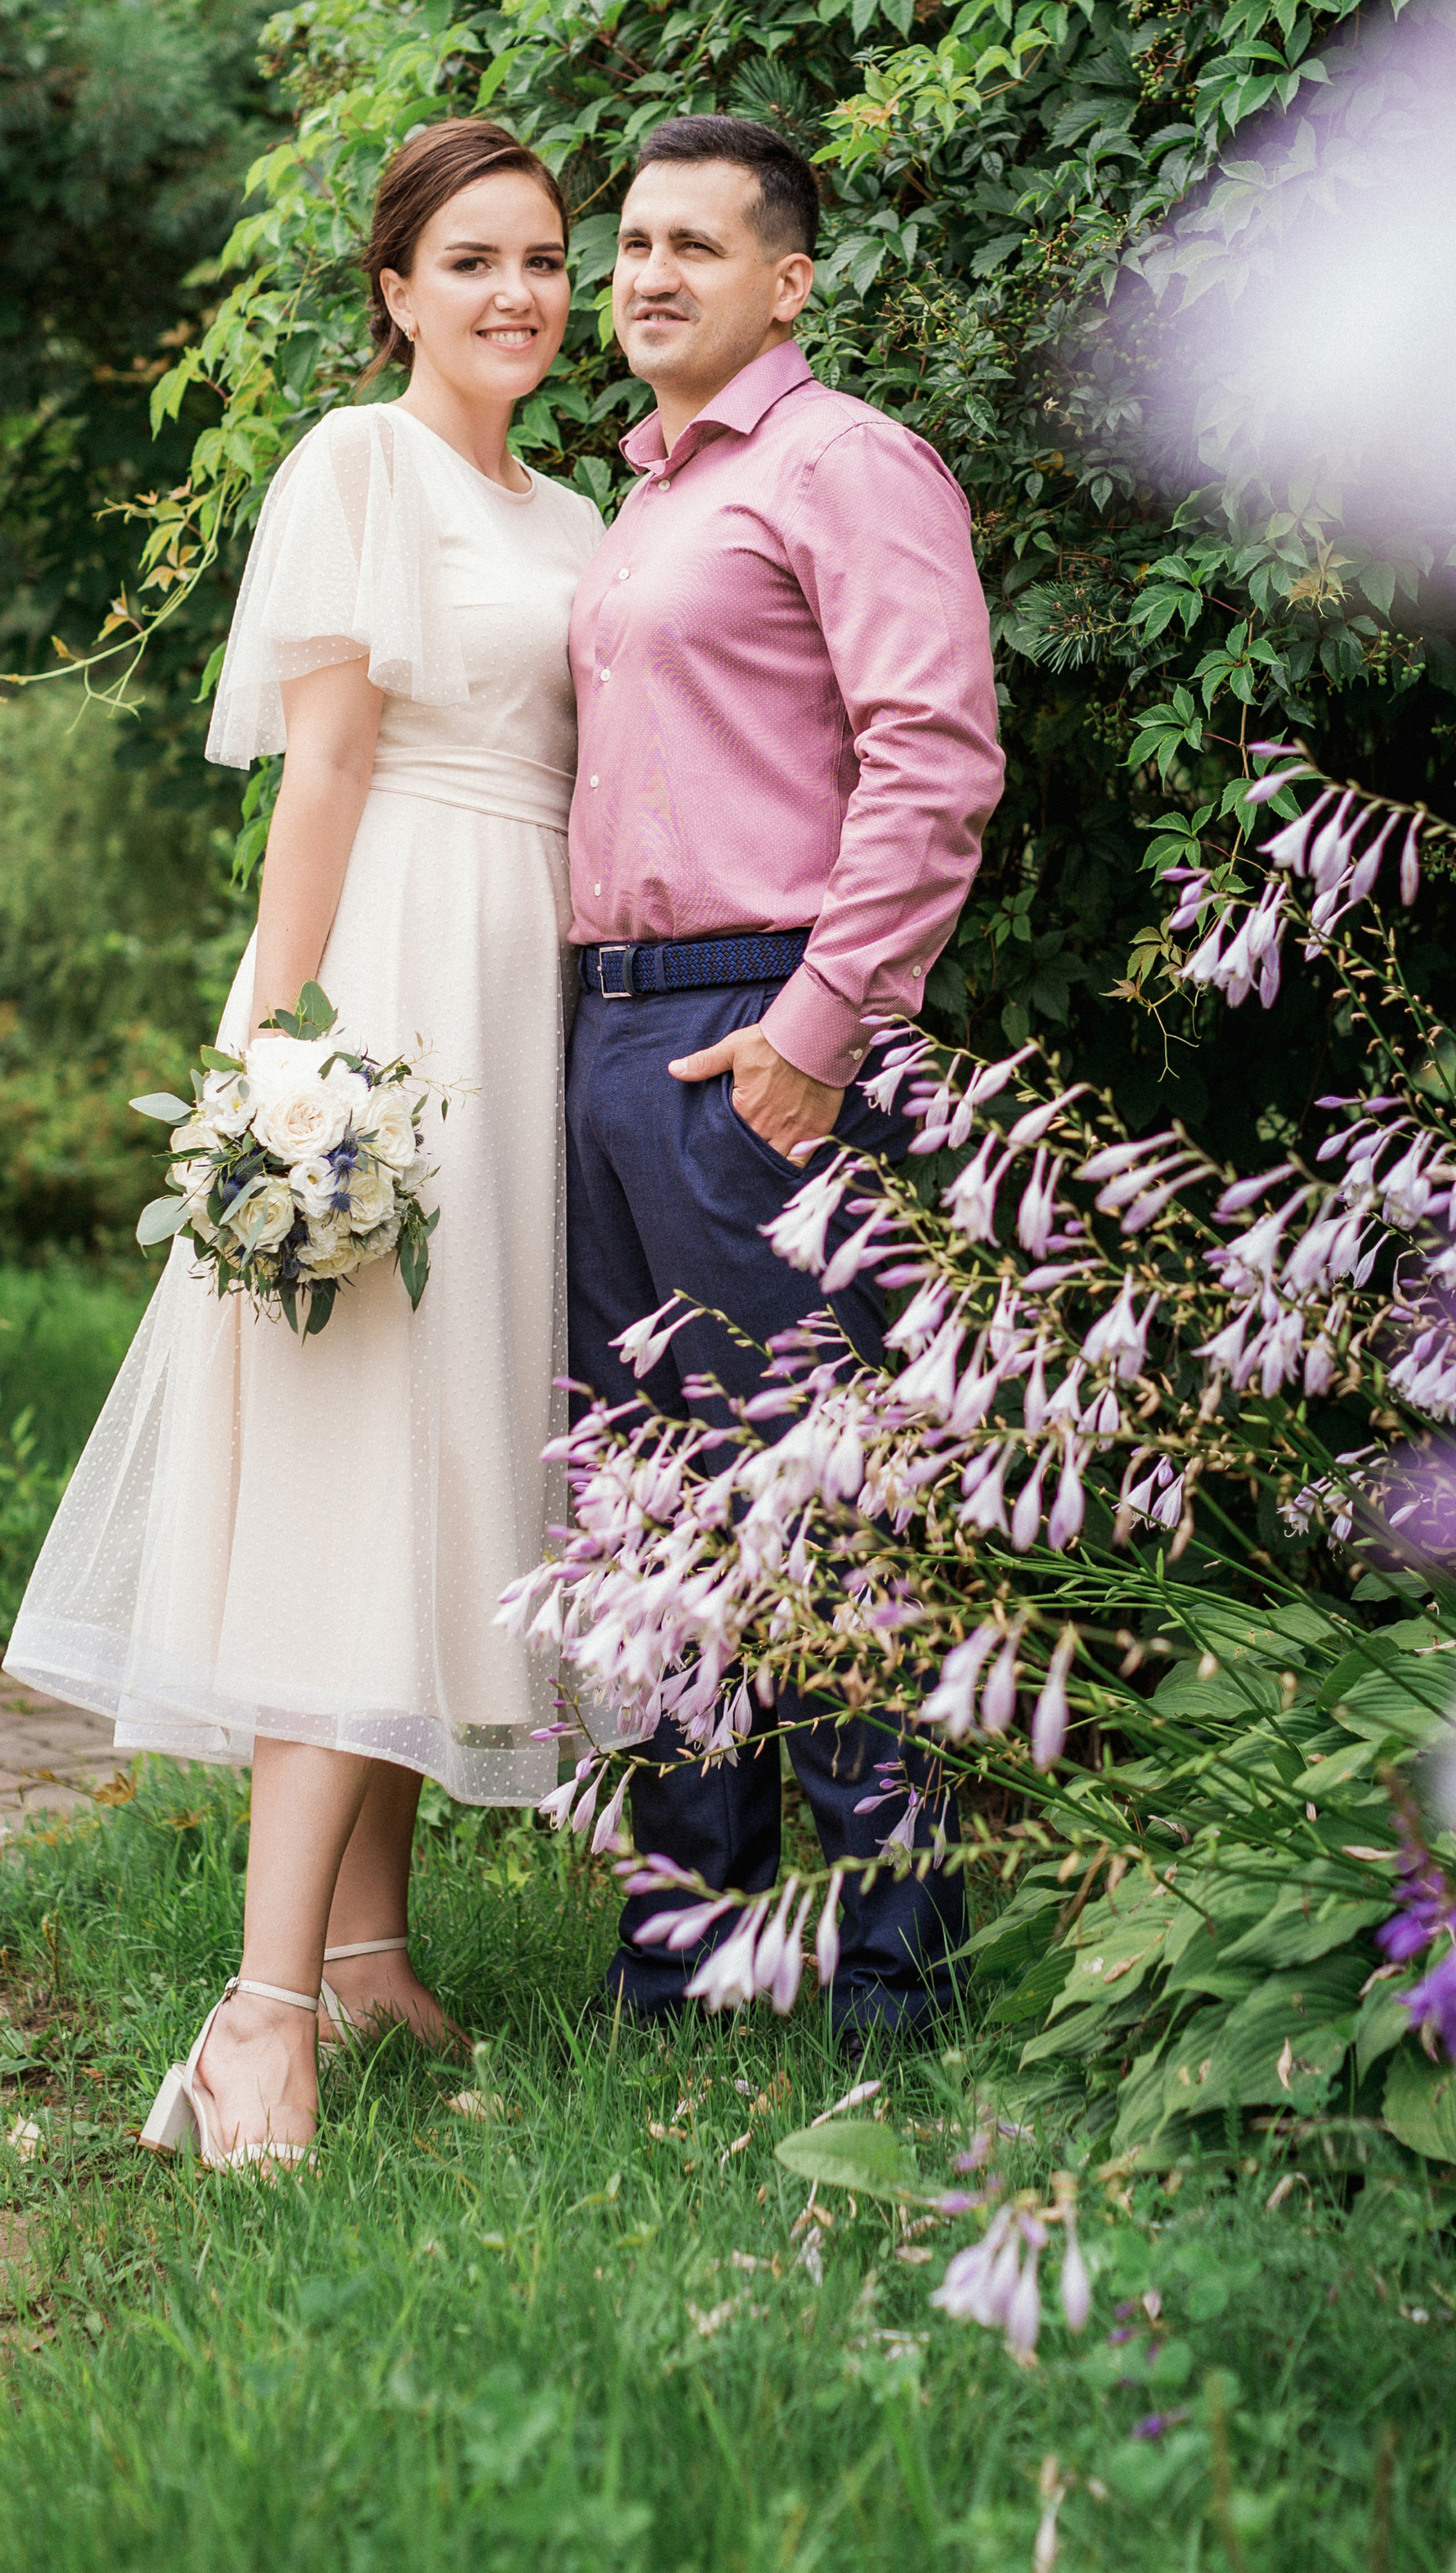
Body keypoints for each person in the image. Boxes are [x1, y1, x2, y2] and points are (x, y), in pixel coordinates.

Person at [5, 116, 602, 2166]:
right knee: (359, 1450)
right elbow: (329, 767)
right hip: (398, 970)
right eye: (472, 263)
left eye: (541, 258)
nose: (518, 292)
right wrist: (284, 1041)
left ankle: (365, 1956)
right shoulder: (359, 467)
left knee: (443, 1449)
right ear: (393, 289)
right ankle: (254, 2018)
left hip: (536, 974)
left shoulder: (581, 509)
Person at [564, 111, 1005, 2044]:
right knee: (653, 1508)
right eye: (630, 243)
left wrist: (816, 1038)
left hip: (760, 1029)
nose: (645, 274)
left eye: (693, 245)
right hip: (611, 1035)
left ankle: (897, 1994)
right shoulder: (643, 499)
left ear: (786, 279)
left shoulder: (844, 464)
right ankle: (687, 1964)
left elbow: (933, 756)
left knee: (818, 1502)